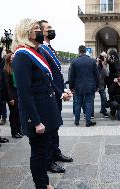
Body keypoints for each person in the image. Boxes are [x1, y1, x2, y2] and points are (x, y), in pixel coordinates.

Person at [12, 18, 62, 189]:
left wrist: (61, 93)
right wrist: (36, 121)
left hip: (45, 109)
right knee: (39, 152)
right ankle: (41, 185)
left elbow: (46, 80)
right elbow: (24, 93)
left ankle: (45, 181)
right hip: (37, 114)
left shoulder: (37, 52)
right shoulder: (21, 56)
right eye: (36, 29)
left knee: (44, 150)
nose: (40, 31)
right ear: (26, 33)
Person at [38, 20, 73, 173]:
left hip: (56, 93)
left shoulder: (49, 48)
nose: (52, 30)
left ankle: (55, 152)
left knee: (55, 126)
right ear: (41, 32)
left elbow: (57, 73)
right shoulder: (41, 49)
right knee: (50, 127)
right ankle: (48, 160)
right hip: (50, 94)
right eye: (48, 28)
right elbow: (48, 76)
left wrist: (64, 90)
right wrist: (61, 92)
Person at [69, 45, 99, 127]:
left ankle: (77, 121)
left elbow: (71, 76)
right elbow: (96, 75)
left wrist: (71, 87)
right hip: (90, 85)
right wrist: (97, 86)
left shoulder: (74, 62)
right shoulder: (92, 61)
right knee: (89, 103)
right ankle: (88, 121)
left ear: (79, 51)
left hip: (78, 86)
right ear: (85, 51)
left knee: (77, 103)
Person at [2, 53, 23, 138]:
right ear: (8, 60)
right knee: (14, 113)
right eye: (11, 58)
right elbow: (7, 86)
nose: (12, 60)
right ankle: (14, 132)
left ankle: (19, 130)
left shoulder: (17, 68)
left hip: (19, 93)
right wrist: (10, 98)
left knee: (19, 113)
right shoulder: (5, 70)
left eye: (14, 58)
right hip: (12, 94)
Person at [97, 51, 110, 118]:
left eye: (105, 57)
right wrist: (98, 63)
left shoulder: (106, 64)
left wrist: (103, 65)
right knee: (91, 99)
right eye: (102, 56)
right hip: (95, 84)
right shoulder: (95, 63)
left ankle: (103, 110)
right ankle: (90, 113)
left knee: (104, 98)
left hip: (102, 84)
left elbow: (107, 74)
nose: (103, 58)